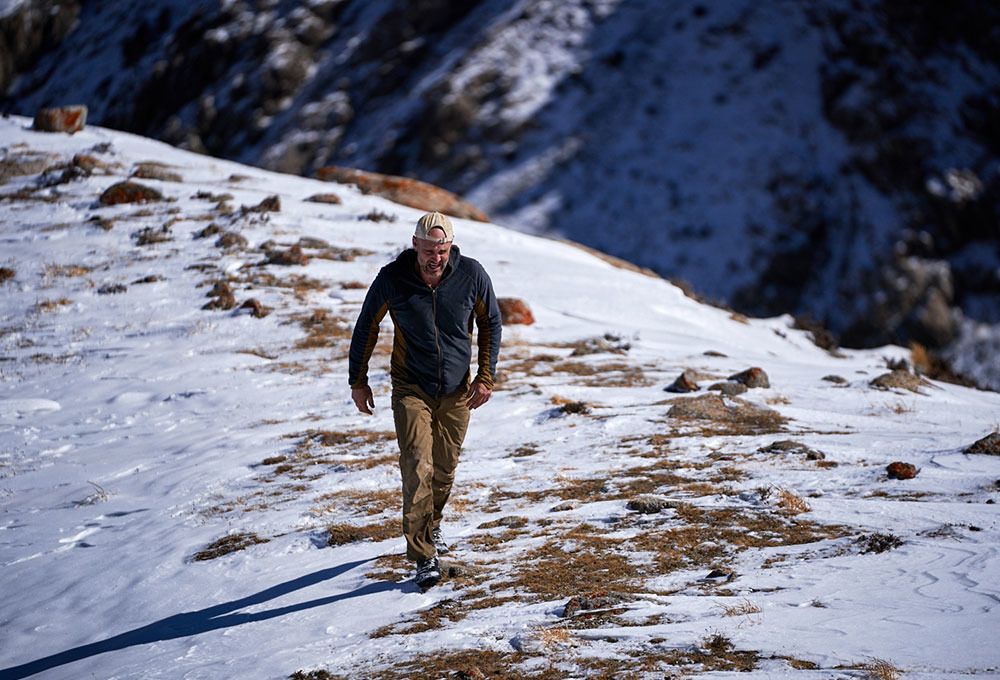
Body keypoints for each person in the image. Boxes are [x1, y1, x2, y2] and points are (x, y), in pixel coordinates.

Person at [348, 211, 502, 589]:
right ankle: (422, 556)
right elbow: (367, 325)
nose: (436, 257)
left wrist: (486, 376)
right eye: (430, 249)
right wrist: (358, 380)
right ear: (415, 244)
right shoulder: (392, 279)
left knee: (444, 469)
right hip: (410, 387)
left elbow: (491, 322)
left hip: (456, 390)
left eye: (444, 249)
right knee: (418, 465)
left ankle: (432, 527)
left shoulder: (471, 275)